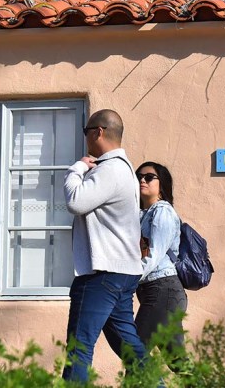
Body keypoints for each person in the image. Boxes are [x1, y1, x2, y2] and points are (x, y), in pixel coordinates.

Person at [62, 109, 146, 382]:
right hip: (122, 271)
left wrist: (77, 168)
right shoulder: (126, 170)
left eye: (86, 132)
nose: (85, 138)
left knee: (79, 349)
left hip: (102, 273)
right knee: (129, 346)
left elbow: (75, 202)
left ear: (98, 132)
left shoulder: (109, 170)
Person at [135, 161, 188, 369]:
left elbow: (154, 253)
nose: (142, 180)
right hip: (157, 292)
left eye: (149, 177)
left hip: (162, 290)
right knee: (178, 363)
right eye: (139, 176)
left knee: (135, 353)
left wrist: (129, 279)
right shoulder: (142, 214)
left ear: (161, 183)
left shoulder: (162, 212)